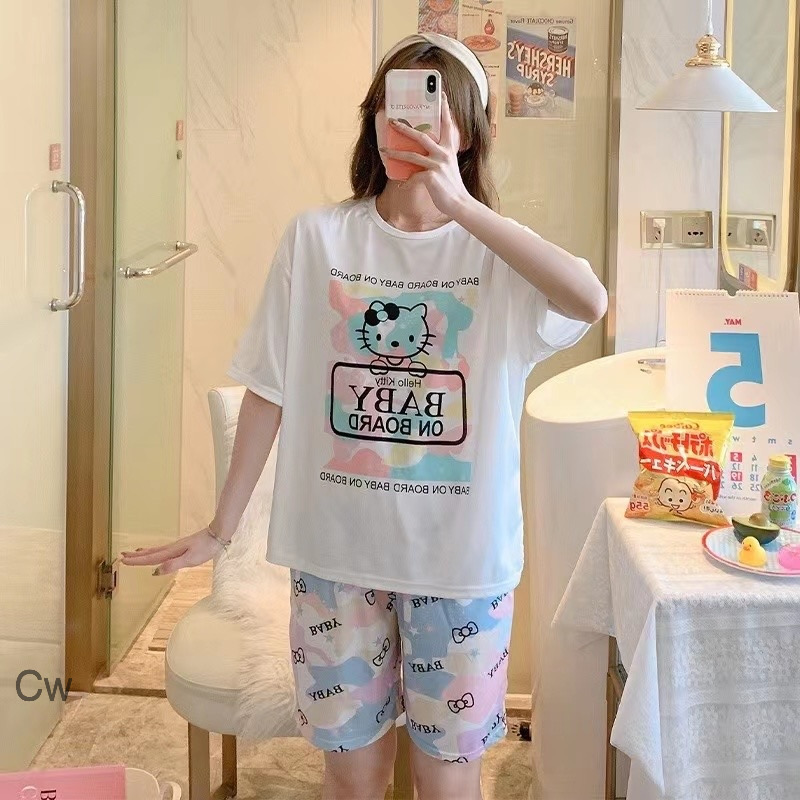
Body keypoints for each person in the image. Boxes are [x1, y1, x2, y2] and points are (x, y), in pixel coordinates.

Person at [122, 32, 607, 800]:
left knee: (449, 780)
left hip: (460, 567)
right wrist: (221, 526)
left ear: (470, 129)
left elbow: (589, 299)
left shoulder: (497, 257)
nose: (405, 124)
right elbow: (270, 386)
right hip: (336, 559)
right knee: (353, 778)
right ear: (371, 118)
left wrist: (460, 205)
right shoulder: (318, 238)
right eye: (391, 104)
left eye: (430, 107)